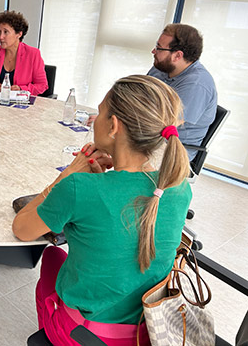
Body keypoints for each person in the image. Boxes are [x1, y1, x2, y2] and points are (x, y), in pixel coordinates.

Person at [13, 75, 192, 345]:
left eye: (99, 112)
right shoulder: (178, 187)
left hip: (83, 334)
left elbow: (22, 230)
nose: (94, 118)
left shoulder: (79, 187)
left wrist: (66, 177)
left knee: (51, 256)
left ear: (114, 126)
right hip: (148, 330)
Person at [148, 23, 217, 160]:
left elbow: (165, 124)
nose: (153, 51)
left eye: (159, 48)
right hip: (151, 136)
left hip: (173, 150)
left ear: (177, 56)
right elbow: (137, 96)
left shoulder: (197, 84)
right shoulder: (162, 67)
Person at [0, 10, 48, 96]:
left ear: (18, 34)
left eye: (5, 32)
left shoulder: (33, 54)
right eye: (0, 32)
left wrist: (21, 89)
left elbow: (42, 85)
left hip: (21, 105)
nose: (1, 37)